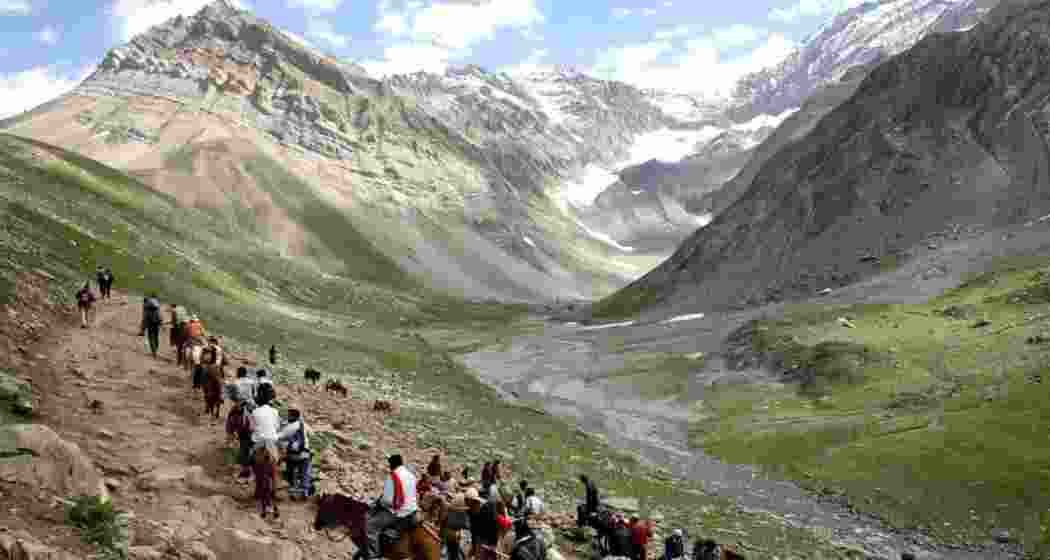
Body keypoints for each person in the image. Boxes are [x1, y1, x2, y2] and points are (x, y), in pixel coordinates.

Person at [365, 454, 419, 559]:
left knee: (370, 526)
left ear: (392, 464)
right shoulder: (411, 475)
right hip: (412, 511)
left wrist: (378, 502)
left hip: (397, 513)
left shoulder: (393, 476)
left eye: (389, 464)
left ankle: (373, 555)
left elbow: (387, 500)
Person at [278, 408, 313, 498]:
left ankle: (293, 490)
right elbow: (312, 434)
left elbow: (279, 437)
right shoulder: (303, 424)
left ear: (293, 416)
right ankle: (305, 491)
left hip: (293, 455)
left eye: (288, 415)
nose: (287, 417)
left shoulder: (290, 427)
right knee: (305, 472)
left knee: (291, 471)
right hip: (305, 453)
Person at [466, 487, 499, 560]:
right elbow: (474, 530)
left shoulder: (489, 508)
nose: (467, 504)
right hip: (479, 540)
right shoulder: (470, 511)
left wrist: (493, 544)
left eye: (468, 501)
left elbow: (495, 526)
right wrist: (474, 546)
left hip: (488, 540)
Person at [140, 293, 163, 358]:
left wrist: (143, 329)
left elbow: (144, 319)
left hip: (150, 324)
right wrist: (161, 323)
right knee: (156, 336)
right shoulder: (157, 308)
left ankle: (154, 351)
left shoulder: (147, 309)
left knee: (150, 337)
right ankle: (156, 348)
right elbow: (160, 316)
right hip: (156, 323)